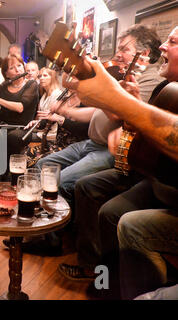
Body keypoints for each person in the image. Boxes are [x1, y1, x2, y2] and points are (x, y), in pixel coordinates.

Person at [57, 26, 177, 299]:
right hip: (158, 178)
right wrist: (130, 116)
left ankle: (117, 287)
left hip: (161, 183)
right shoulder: (166, 87)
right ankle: (101, 276)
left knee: (121, 217)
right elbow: (146, 135)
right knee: (94, 194)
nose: (162, 48)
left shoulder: (157, 82)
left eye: (173, 42)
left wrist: (122, 107)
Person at [0, 54, 39, 173]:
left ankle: (9, 174)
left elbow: (20, 107)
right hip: (3, 125)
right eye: (12, 68)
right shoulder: (4, 86)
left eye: (19, 65)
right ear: (6, 73)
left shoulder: (31, 84)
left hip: (23, 128)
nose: (17, 70)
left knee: (12, 137)